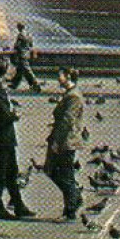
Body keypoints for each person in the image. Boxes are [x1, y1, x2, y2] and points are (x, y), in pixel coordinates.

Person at [0, 52, 35, 219]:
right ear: (5, 69)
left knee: (11, 171)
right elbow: (1, 113)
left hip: (0, 135)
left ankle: (18, 205)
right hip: (1, 135)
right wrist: (14, 115)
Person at [45, 67, 84, 220]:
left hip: (66, 142)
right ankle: (75, 197)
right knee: (52, 171)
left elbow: (67, 121)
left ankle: (70, 211)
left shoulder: (73, 96)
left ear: (68, 76)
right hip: (62, 139)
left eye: (59, 75)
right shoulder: (69, 94)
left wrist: (56, 142)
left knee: (64, 175)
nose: (57, 78)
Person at [9, 22, 41, 91]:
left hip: (22, 55)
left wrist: (12, 49)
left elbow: (17, 45)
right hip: (27, 54)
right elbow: (31, 44)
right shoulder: (28, 34)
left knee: (27, 70)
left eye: (18, 27)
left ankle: (36, 84)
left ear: (19, 27)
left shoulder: (20, 35)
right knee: (20, 71)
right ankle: (14, 84)